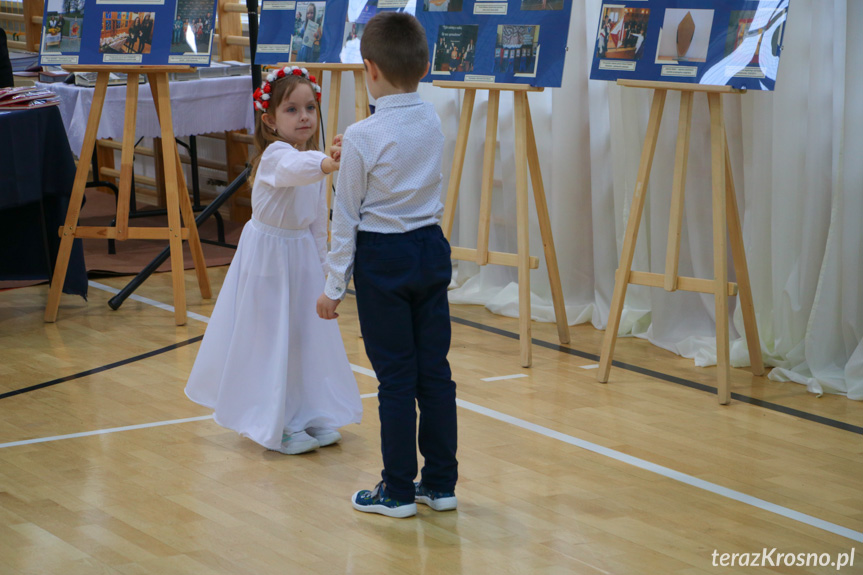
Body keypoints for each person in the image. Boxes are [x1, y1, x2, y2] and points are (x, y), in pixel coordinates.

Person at [317, 12, 458, 519]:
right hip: (428, 249)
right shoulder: (431, 118)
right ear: (424, 65)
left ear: (368, 68)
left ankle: (396, 489)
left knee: (395, 379)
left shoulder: (361, 134)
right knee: (434, 374)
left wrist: (333, 287)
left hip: (383, 259)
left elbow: (346, 218)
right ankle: (440, 485)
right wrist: (352, 150)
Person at [186, 66, 362, 456]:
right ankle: (275, 422)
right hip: (268, 261)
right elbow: (294, 170)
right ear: (269, 120)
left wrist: (327, 276)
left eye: (310, 108)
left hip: (299, 261)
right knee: (272, 339)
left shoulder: (312, 160)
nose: (304, 117)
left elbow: (318, 225)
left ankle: (305, 411)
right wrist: (329, 164)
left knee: (302, 337)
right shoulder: (275, 157)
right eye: (291, 109)